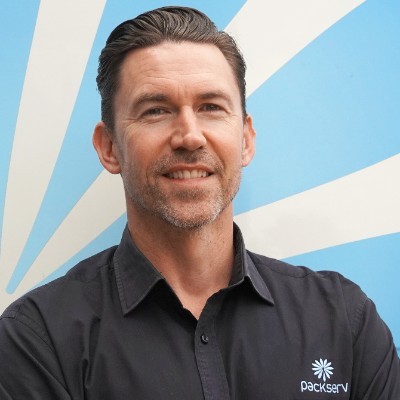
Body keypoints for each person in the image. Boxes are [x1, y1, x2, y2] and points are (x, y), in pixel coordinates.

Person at [0, 6, 398, 399]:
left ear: (245, 139)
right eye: (155, 110)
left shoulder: (343, 320)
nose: (190, 136)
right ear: (109, 148)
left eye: (211, 107)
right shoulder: (39, 339)